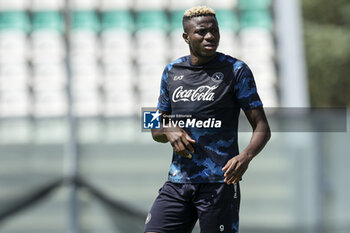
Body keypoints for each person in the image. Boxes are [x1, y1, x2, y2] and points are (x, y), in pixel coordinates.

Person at [144, 5, 271, 233]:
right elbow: (152, 125)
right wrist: (169, 129)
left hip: (219, 184)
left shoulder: (236, 70)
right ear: (186, 37)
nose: (210, 36)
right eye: (201, 32)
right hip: (178, 182)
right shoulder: (171, 71)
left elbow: (262, 126)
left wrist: (246, 157)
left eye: (214, 30)